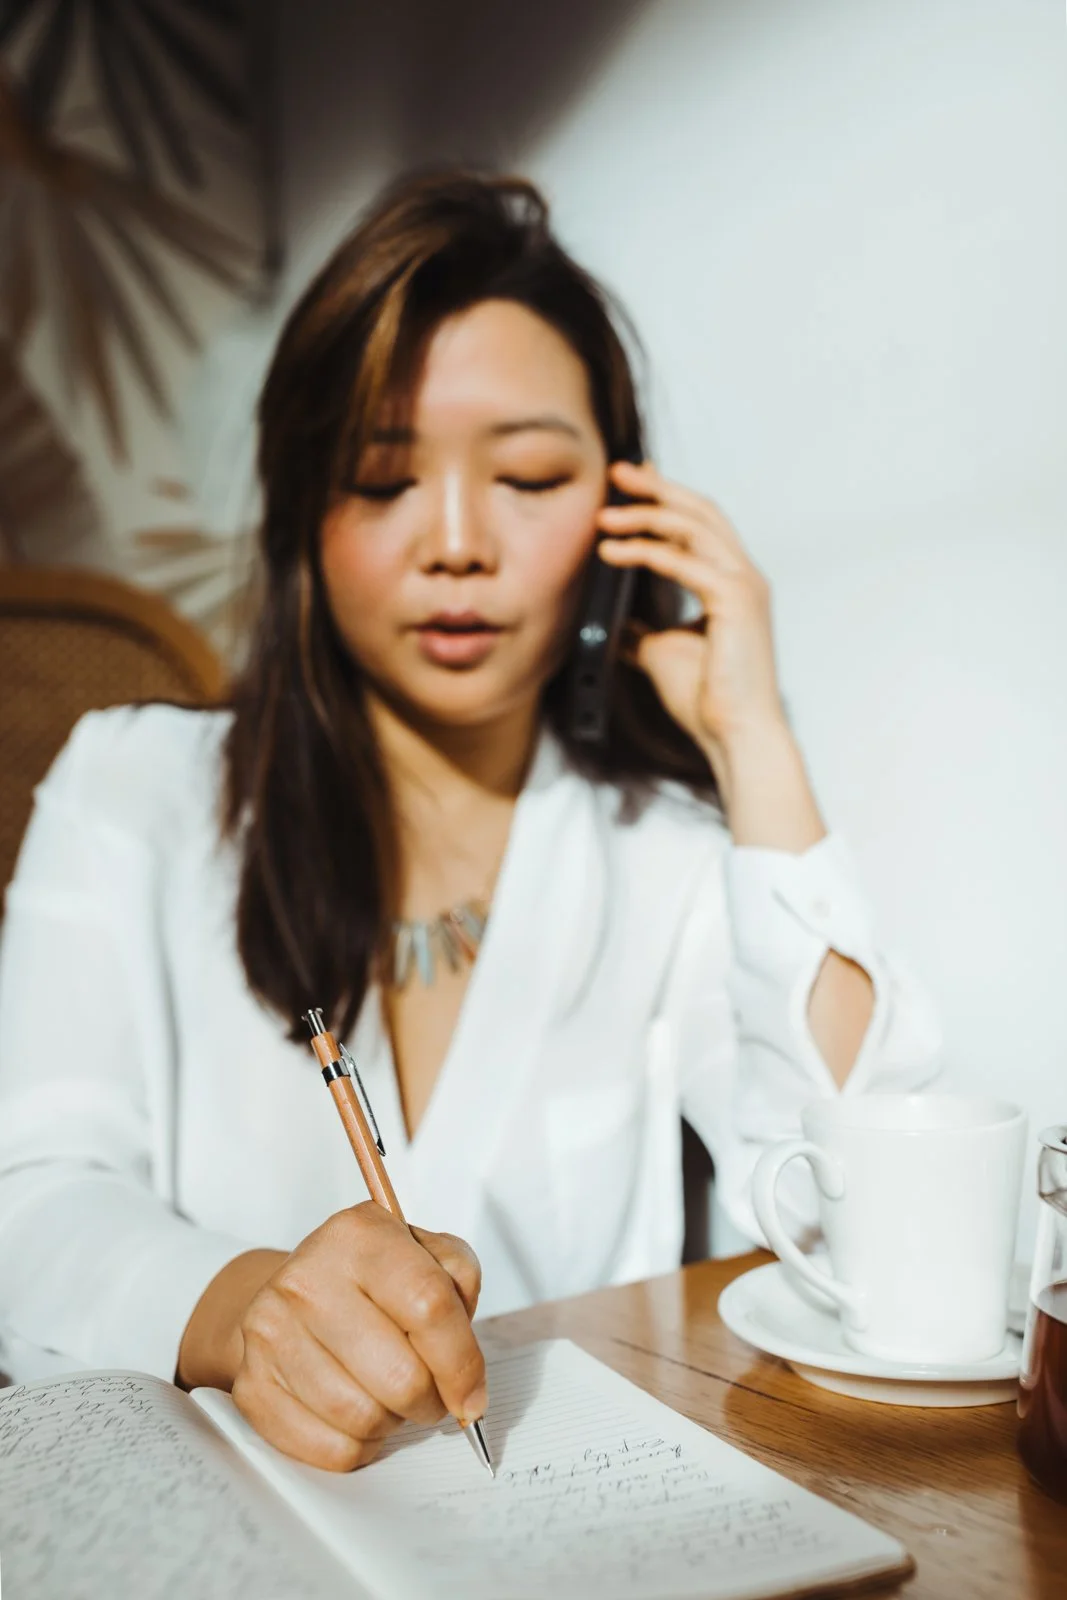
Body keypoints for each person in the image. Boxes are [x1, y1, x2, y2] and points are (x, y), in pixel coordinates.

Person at [0, 170, 940, 1470]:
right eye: (383, 479)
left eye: (529, 476)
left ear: (618, 517)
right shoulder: (131, 790)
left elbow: (877, 1241)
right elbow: (30, 1204)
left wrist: (754, 746)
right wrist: (248, 1310)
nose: (455, 541)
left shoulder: (661, 858)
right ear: (302, 518)